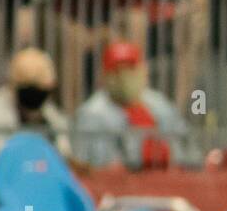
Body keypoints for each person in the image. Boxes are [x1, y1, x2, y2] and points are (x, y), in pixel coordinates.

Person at [73, 39, 189, 169]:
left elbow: (184, 147)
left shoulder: (158, 103)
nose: (124, 76)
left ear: (143, 70)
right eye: (117, 70)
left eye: (131, 68)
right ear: (105, 75)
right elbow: (94, 165)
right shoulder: (92, 113)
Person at [0, 47, 72, 165]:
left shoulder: (51, 116)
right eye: (29, 88)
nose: (35, 96)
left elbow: (64, 158)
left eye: (40, 89)